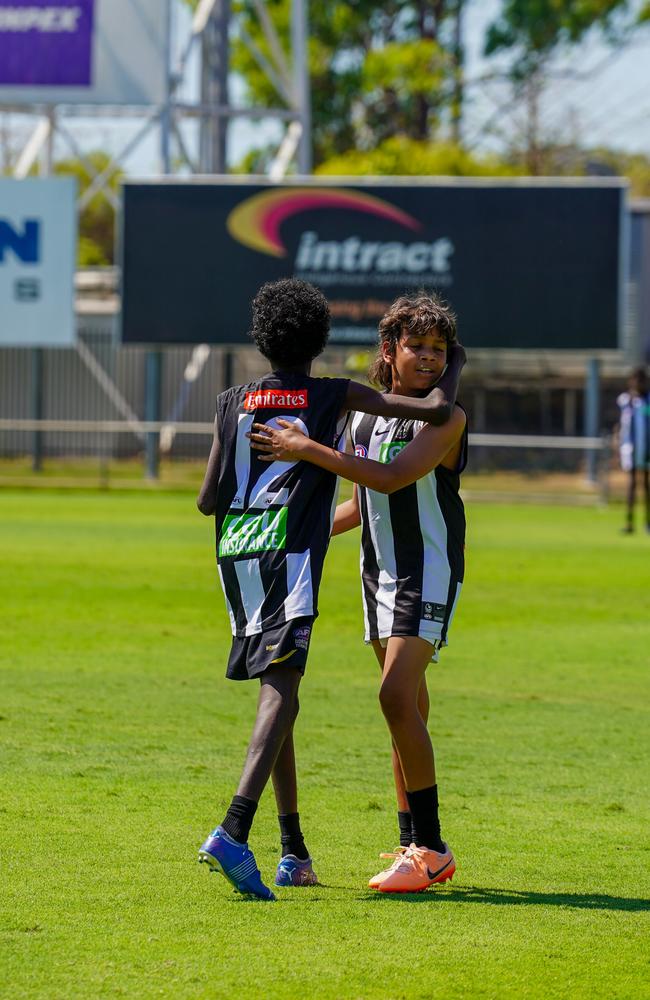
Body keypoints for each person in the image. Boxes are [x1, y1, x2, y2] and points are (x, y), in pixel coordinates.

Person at [196, 279, 466, 900]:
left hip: (424, 572)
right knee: (409, 713)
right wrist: (292, 528)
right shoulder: (368, 415)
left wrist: (303, 447)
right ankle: (411, 842)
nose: (430, 358)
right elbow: (356, 504)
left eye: (441, 350)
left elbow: (393, 479)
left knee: (394, 698)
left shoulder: (448, 417)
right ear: (390, 349)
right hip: (378, 577)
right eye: (418, 346)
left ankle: (430, 847)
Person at [616, 367, 650, 534]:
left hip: (648, 448)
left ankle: (647, 522)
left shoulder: (648, 400)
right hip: (631, 448)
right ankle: (629, 523)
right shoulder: (626, 400)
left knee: (646, 485)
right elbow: (622, 424)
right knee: (632, 484)